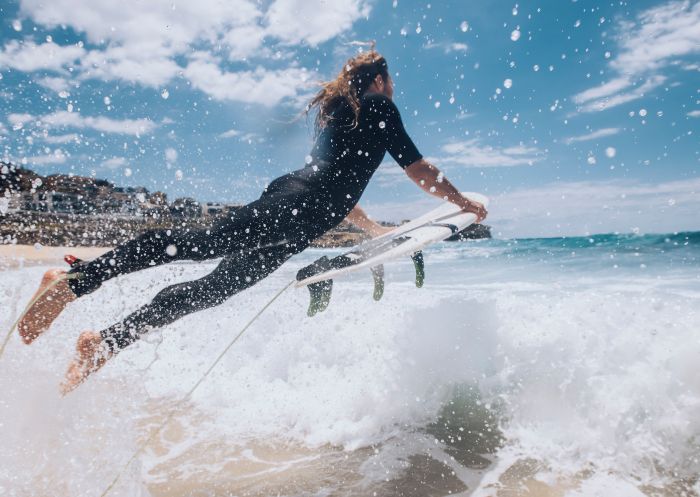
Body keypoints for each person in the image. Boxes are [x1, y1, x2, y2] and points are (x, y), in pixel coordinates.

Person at [18, 50, 487, 393]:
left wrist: (371, 230)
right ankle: (76, 279)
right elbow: (418, 169)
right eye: (392, 79)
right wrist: (463, 201)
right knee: (198, 244)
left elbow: (338, 190)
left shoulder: (346, 115)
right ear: (381, 79)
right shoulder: (379, 106)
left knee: (212, 289)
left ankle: (103, 343)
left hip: (298, 219)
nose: (393, 86)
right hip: (292, 208)